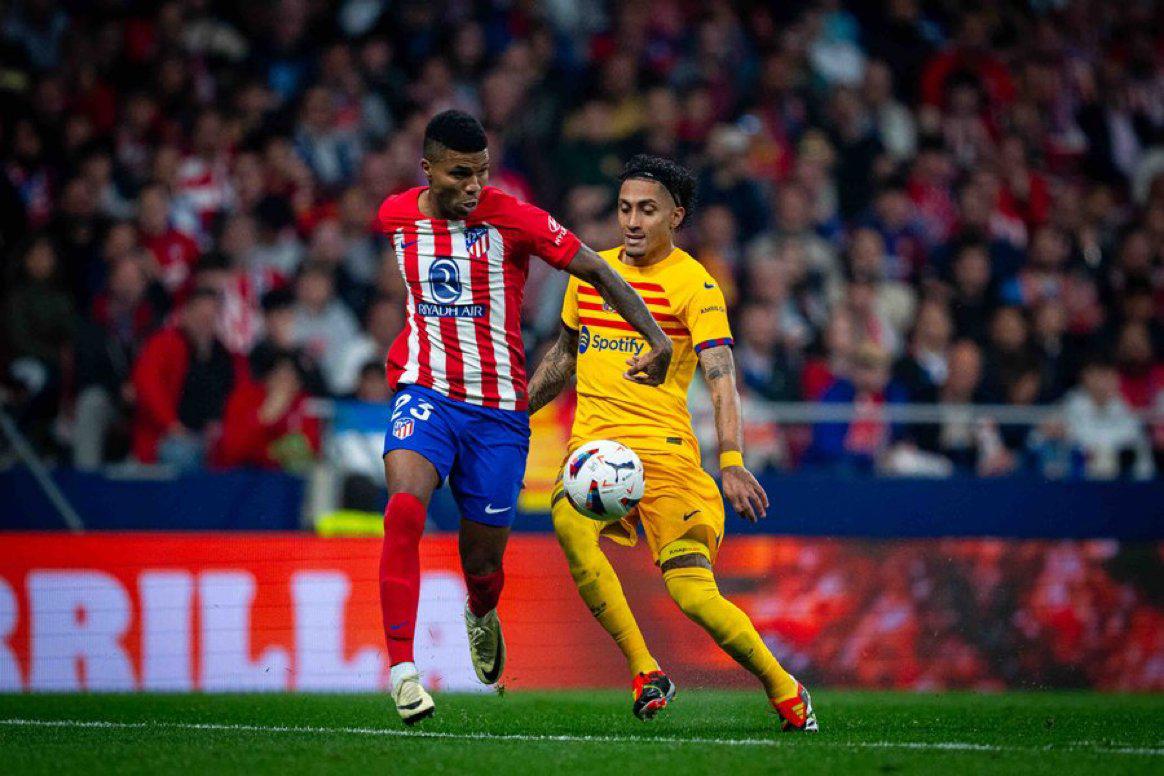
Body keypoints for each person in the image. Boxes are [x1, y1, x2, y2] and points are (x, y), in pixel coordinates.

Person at [376, 111, 672, 724]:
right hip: (425, 393)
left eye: (482, 172)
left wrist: (656, 338)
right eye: (460, 174)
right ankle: (403, 672)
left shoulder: (512, 218)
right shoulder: (395, 215)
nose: (474, 185)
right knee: (404, 508)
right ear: (427, 169)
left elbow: (595, 267)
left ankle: (480, 613)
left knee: (483, 566)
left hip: (499, 416)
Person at [526, 155, 817, 732]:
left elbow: (721, 372)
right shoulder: (591, 274)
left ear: (675, 216)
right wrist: (512, 415)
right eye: (625, 208)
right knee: (568, 521)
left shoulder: (696, 286)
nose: (632, 221)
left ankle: (785, 688)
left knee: (691, 595)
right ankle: (645, 670)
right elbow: (562, 357)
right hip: (595, 450)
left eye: (647, 210)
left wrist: (731, 459)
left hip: (665, 456)